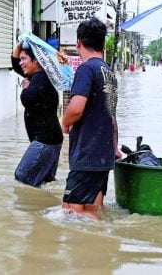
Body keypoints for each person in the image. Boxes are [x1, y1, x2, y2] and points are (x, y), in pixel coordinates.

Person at [61, 18, 119, 218]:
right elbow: (112, 115)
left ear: (78, 43)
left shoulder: (86, 69)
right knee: (93, 210)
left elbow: (76, 108)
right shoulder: (109, 72)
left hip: (87, 153)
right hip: (104, 155)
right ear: (103, 45)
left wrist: (64, 122)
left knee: (71, 210)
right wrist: (114, 147)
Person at [11, 41, 63, 187]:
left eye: (24, 59)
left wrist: (25, 87)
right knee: (44, 183)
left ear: (36, 61)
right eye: (21, 58)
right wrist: (21, 43)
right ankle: (43, 209)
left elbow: (27, 98)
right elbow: (15, 64)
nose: (21, 63)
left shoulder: (41, 78)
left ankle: (30, 208)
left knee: (22, 176)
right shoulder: (37, 75)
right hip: (51, 139)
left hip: (46, 140)